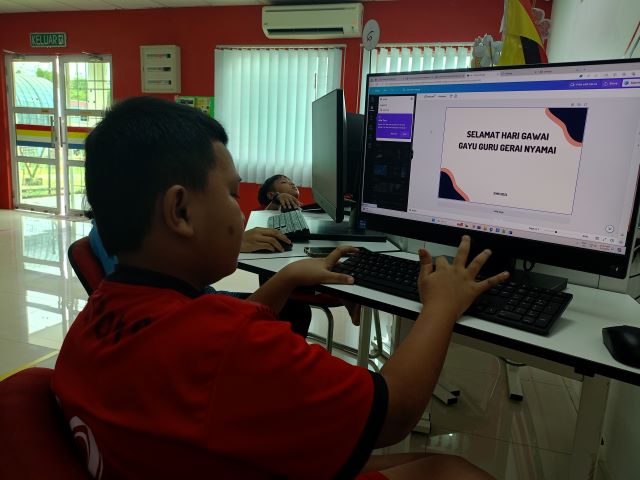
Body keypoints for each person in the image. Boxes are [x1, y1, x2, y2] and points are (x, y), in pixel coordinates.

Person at [52, 96, 507, 479]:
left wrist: (287, 276)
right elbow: (395, 412)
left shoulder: (93, 319)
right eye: (232, 194)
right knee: (451, 471)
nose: (240, 213)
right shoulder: (230, 348)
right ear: (181, 212)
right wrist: (441, 306)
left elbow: (208, 340)